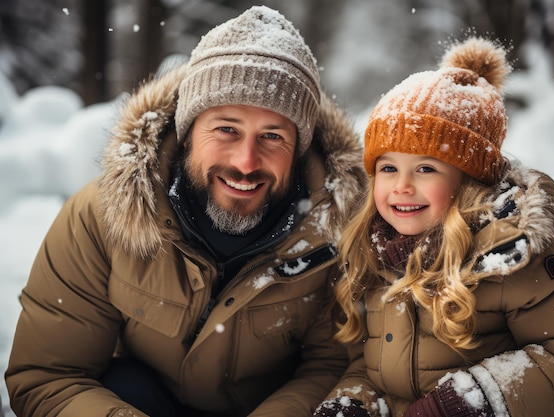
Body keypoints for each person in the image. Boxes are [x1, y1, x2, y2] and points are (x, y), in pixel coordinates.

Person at [5, 6, 367, 417]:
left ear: (299, 151)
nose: (247, 162)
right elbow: (49, 375)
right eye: (226, 129)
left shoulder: (338, 231)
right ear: (187, 130)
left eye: (272, 136)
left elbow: (332, 365)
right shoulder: (102, 216)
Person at [313, 36, 554, 417]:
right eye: (388, 168)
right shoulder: (377, 257)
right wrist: (355, 401)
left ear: (469, 181)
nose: (402, 186)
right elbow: (375, 366)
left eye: (426, 168)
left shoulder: (509, 253)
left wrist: (468, 403)